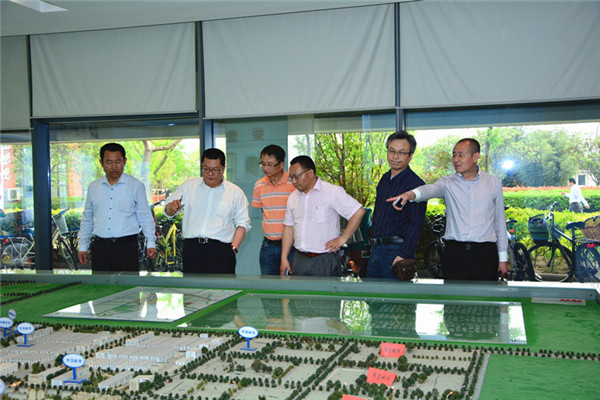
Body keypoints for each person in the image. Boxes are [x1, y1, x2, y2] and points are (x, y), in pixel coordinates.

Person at [390, 138, 508, 281]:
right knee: (454, 295)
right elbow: (431, 189)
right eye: (454, 155)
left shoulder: (493, 183)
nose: (455, 160)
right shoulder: (447, 182)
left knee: (485, 295)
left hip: (485, 254)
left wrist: (503, 259)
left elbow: (500, 223)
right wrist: (410, 195)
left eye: (460, 155)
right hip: (454, 254)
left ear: (475, 157)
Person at [164, 148, 251, 274]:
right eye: (206, 169)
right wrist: (171, 208)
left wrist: (233, 249)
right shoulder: (189, 186)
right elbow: (168, 210)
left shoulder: (235, 193)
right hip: (192, 249)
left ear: (223, 169)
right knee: (192, 286)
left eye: (214, 170)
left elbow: (243, 224)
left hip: (221, 251)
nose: (210, 173)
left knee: (221, 287)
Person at [280, 156, 365, 277]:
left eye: (296, 177)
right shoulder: (293, 197)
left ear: (310, 173)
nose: (293, 181)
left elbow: (358, 212)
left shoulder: (332, 192)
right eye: (291, 177)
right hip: (299, 259)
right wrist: (284, 258)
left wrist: (343, 238)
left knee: (326, 290)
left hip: (325, 259)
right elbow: (289, 227)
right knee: (299, 290)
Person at [78, 143, 156, 271]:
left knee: (128, 283)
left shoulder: (136, 186)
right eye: (109, 162)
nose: (114, 167)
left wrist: (151, 243)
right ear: (101, 163)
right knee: (100, 283)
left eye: (118, 162)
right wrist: (83, 247)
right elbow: (87, 219)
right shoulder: (93, 187)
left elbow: (145, 217)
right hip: (100, 248)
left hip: (127, 248)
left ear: (124, 161)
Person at [367, 131, 427, 279]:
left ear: (410, 156)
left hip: (397, 251)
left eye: (401, 153)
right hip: (375, 249)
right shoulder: (384, 179)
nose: (395, 156)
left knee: (395, 294)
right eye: (391, 151)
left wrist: (404, 254)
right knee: (371, 293)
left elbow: (417, 224)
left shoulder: (416, 185)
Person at [251, 144, 296, 275]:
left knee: (290, 284)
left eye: (270, 164)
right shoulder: (259, 185)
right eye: (263, 164)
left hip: (292, 246)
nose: (265, 168)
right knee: (268, 284)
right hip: (268, 246)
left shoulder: (293, 183)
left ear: (281, 164)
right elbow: (264, 211)